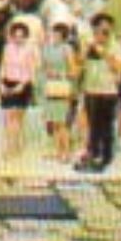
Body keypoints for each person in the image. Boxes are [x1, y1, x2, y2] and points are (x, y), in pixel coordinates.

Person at [77, 16, 121, 171]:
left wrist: (104, 52)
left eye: (106, 30)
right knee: (93, 125)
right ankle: (93, 154)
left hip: (108, 90)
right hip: (91, 89)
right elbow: (80, 63)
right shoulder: (89, 45)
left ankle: (106, 156)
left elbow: (118, 67)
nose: (102, 34)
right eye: (99, 30)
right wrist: (86, 48)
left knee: (106, 126)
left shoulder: (114, 45)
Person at [0, 21, 40, 162]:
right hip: (7, 82)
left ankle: (15, 145)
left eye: (21, 36)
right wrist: (0, 84)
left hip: (23, 84)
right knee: (8, 117)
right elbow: (3, 65)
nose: (18, 39)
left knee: (18, 118)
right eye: (16, 36)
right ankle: (10, 145)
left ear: (25, 36)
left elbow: (32, 69)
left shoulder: (30, 49)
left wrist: (22, 85)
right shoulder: (7, 48)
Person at [39, 23, 78, 162]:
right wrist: (48, 72)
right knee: (54, 121)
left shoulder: (67, 49)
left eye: (58, 35)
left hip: (63, 86)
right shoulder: (46, 49)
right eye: (53, 33)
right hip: (50, 86)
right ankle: (58, 150)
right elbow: (42, 67)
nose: (54, 37)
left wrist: (60, 74)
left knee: (63, 122)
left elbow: (73, 70)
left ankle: (66, 151)